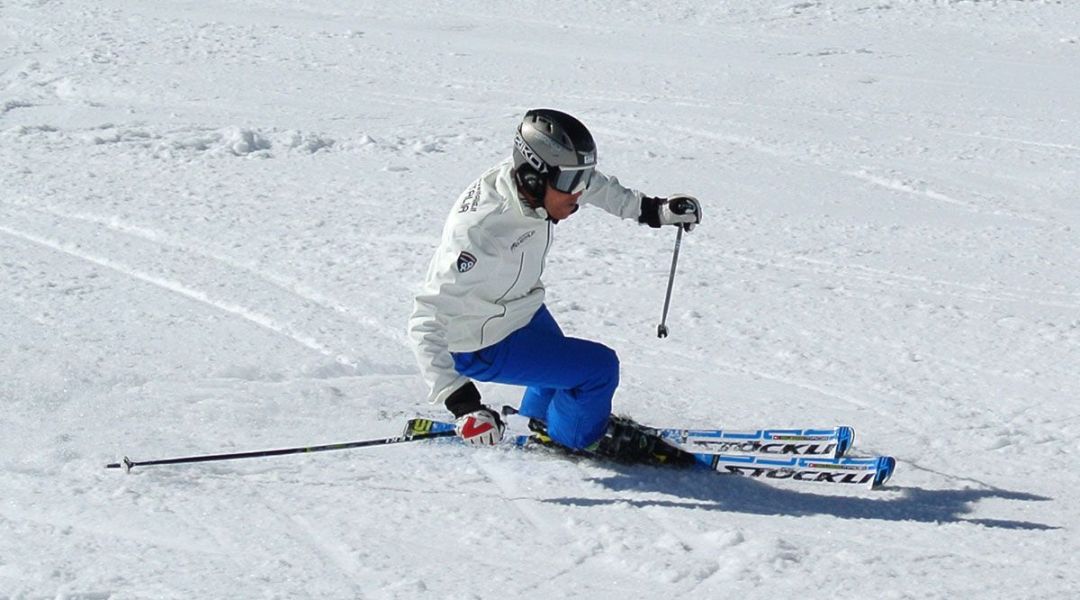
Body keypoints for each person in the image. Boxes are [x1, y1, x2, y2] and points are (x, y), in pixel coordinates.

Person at [408, 109, 701, 454]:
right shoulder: (479, 233)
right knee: (598, 370)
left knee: (560, 370)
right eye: (570, 182)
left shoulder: (535, 183)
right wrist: (463, 403)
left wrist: (652, 210)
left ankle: (537, 420)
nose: (579, 191)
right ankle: (579, 438)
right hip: (480, 342)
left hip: (519, 309)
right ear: (533, 178)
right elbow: (424, 322)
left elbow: (592, 186)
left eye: (583, 177)